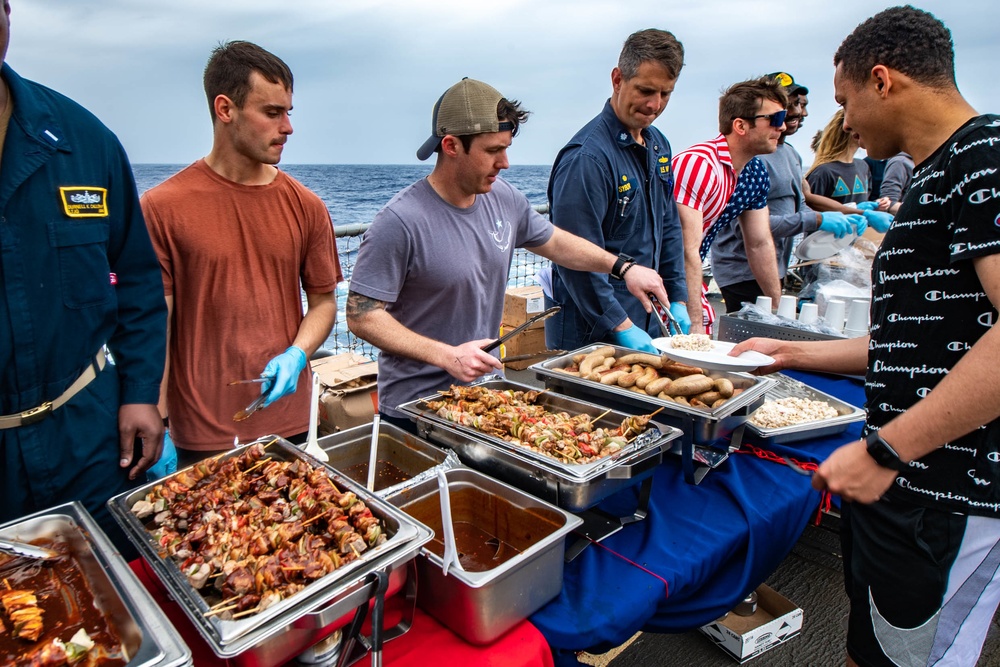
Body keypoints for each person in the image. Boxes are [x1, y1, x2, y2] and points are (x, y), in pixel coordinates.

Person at [734, 7, 1000, 666]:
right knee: (869, 650)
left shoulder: (983, 156)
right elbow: (922, 340)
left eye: (845, 102)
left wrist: (883, 451)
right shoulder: (938, 171)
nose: (844, 122)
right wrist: (791, 351)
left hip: (949, 495)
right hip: (903, 487)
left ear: (882, 80)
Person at [346, 77, 671, 426]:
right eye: (492, 151)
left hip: (484, 400)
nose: (505, 163)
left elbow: (557, 243)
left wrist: (622, 267)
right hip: (416, 409)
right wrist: (447, 356)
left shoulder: (504, 198)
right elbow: (361, 315)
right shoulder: (400, 221)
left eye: (506, 148)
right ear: (452, 145)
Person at [0, 0, 165, 551]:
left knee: (117, 596)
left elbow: (139, 282)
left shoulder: (83, 141)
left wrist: (141, 393)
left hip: (89, 434)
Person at [142, 41, 342, 466]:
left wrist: (298, 354)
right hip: (201, 433)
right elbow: (155, 323)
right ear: (225, 109)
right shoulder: (161, 207)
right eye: (272, 112)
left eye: (289, 112)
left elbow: (324, 301)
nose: (287, 127)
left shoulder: (307, 205)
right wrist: (159, 421)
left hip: (290, 424)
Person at [544, 29, 690, 352]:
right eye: (646, 90)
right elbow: (574, 256)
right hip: (592, 334)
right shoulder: (587, 159)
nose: (654, 105)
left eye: (666, 94)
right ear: (617, 79)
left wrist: (678, 296)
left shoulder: (658, 145)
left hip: (650, 320)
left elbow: (668, 226)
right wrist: (621, 325)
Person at [672, 76, 786, 326]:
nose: (783, 127)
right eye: (775, 120)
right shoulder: (699, 165)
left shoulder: (754, 172)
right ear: (741, 126)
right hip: (660, 275)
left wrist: (779, 311)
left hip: (688, 275)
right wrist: (695, 324)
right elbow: (685, 249)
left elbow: (759, 242)